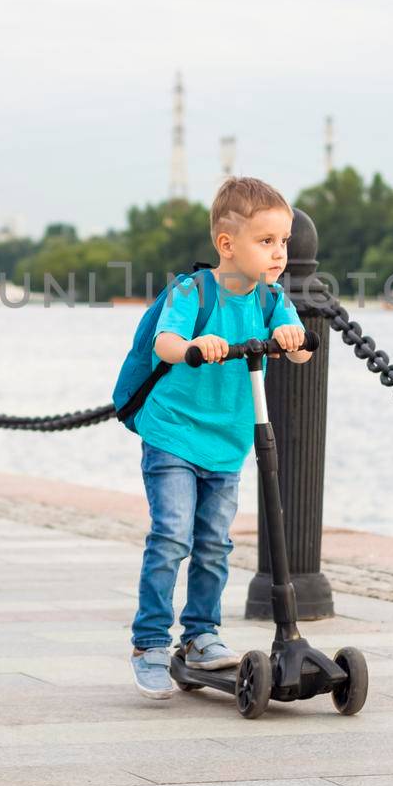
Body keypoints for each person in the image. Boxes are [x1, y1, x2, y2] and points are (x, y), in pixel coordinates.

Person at [130, 176, 312, 699]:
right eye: (267, 241)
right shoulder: (195, 291)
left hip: (228, 442)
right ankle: (149, 643)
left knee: (214, 543)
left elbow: (298, 351)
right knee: (172, 536)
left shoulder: (272, 298)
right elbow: (166, 341)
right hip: (174, 434)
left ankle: (201, 635)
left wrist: (291, 338)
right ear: (227, 244)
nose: (279, 253)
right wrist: (194, 342)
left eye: (284, 242)